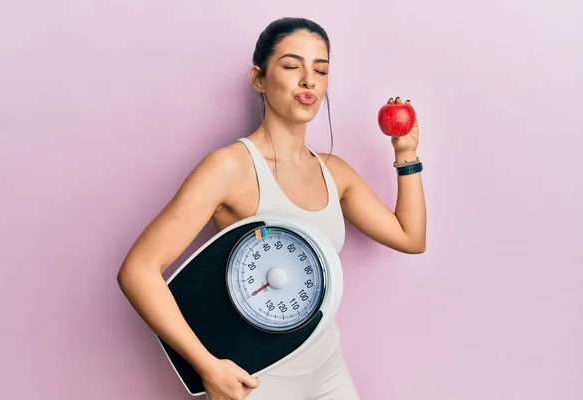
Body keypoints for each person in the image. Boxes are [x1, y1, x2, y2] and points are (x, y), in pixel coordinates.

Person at [117, 16, 426, 400]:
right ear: (259, 78)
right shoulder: (229, 167)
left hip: (329, 372)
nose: (308, 80)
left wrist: (406, 155)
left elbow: (411, 238)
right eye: (292, 66)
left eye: (321, 69)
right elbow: (138, 270)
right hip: (258, 383)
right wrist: (207, 367)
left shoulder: (335, 172)